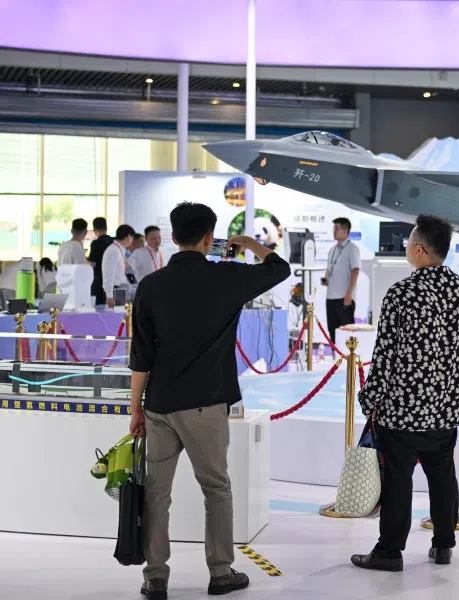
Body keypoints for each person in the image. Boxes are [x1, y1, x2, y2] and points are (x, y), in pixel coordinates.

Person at [128, 202, 290, 599]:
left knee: (155, 493)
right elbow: (279, 268)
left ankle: (156, 577)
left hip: (160, 402)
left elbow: (141, 356)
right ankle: (220, 573)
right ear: (208, 239)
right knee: (216, 488)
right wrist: (248, 242)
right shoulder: (228, 276)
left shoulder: (151, 285)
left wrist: (135, 408)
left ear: (173, 236)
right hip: (206, 403)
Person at [350, 214, 459, 572]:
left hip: (400, 410)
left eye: (408, 244)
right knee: (442, 476)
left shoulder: (401, 293)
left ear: (419, 249)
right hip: (445, 408)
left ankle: (389, 552)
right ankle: (444, 545)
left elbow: (385, 354)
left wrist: (370, 398)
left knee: (398, 480)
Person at [322, 217, 360, 343]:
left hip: (344, 299)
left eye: (337, 229)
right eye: (334, 229)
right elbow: (330, 269)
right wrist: (326, 279)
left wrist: (349, 295)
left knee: (347, 333)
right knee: (332, 331)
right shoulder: (332, 250)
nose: (334, 232)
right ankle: (336, 359)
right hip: (331, 298)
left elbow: (355, 271)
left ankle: (350, 360)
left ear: (346, 230)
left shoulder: (352, 248)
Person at [101, 225, 136, 308]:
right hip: (113, 290)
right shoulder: (113, 250)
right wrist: (109, 296)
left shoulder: (119, 250)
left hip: (119, 289)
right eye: (132, 237)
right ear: (128, 237)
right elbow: (108, 274)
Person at [87, 217, 114, 305]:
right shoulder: (113, 241)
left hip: (99, 280)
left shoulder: (96, 243)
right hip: (112, 280)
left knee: (99, 308)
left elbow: (93, 263)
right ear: (106, 228)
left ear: (94, 230)